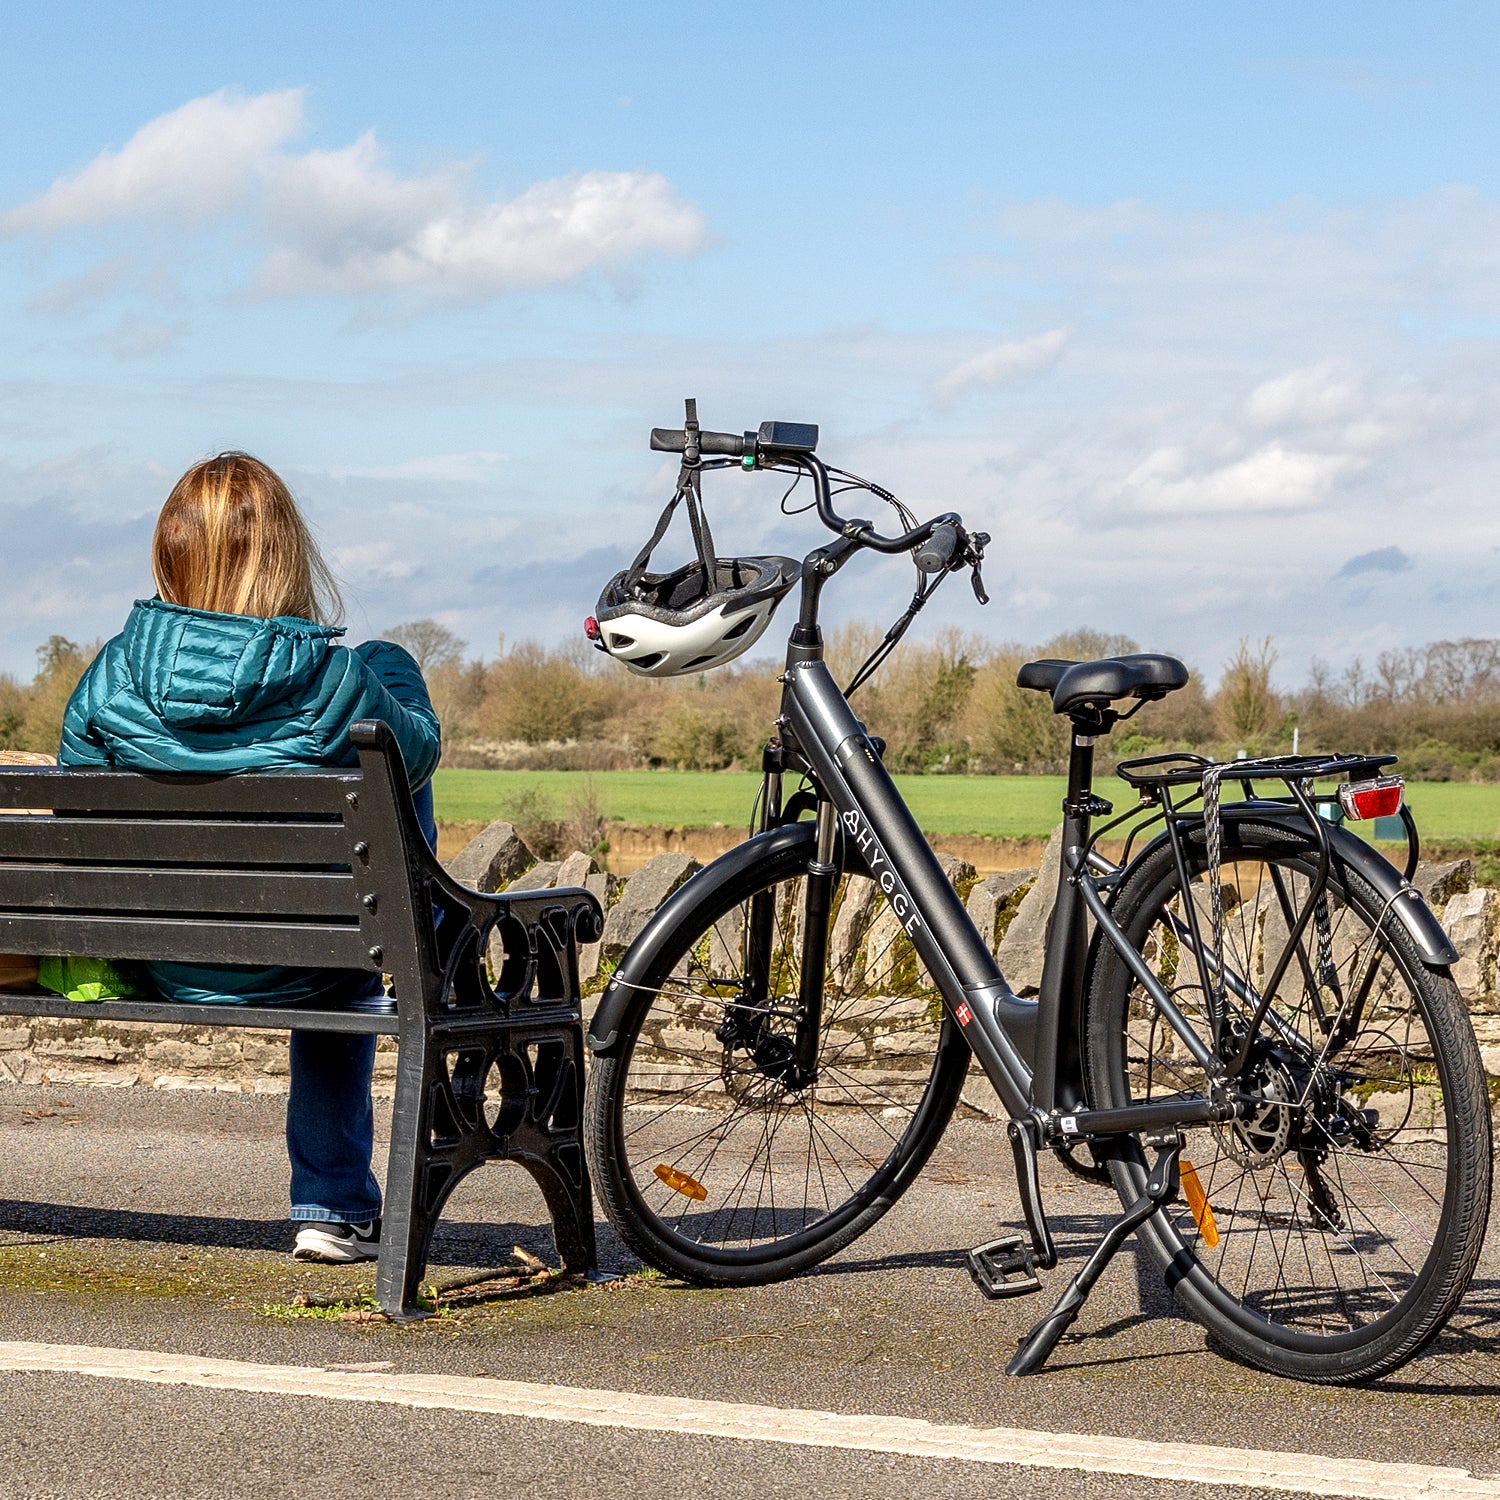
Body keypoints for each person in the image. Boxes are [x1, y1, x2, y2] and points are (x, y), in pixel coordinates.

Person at [58, 452, 441, 1263]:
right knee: (364, 896)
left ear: (170, 554)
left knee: (343, 925)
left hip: (163, 955)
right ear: (286, 556)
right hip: (313, 960)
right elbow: (422, 752)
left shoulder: (109, 675)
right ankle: (333, 1207)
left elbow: (74, 817)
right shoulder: (338, 679)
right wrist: (397, 671)